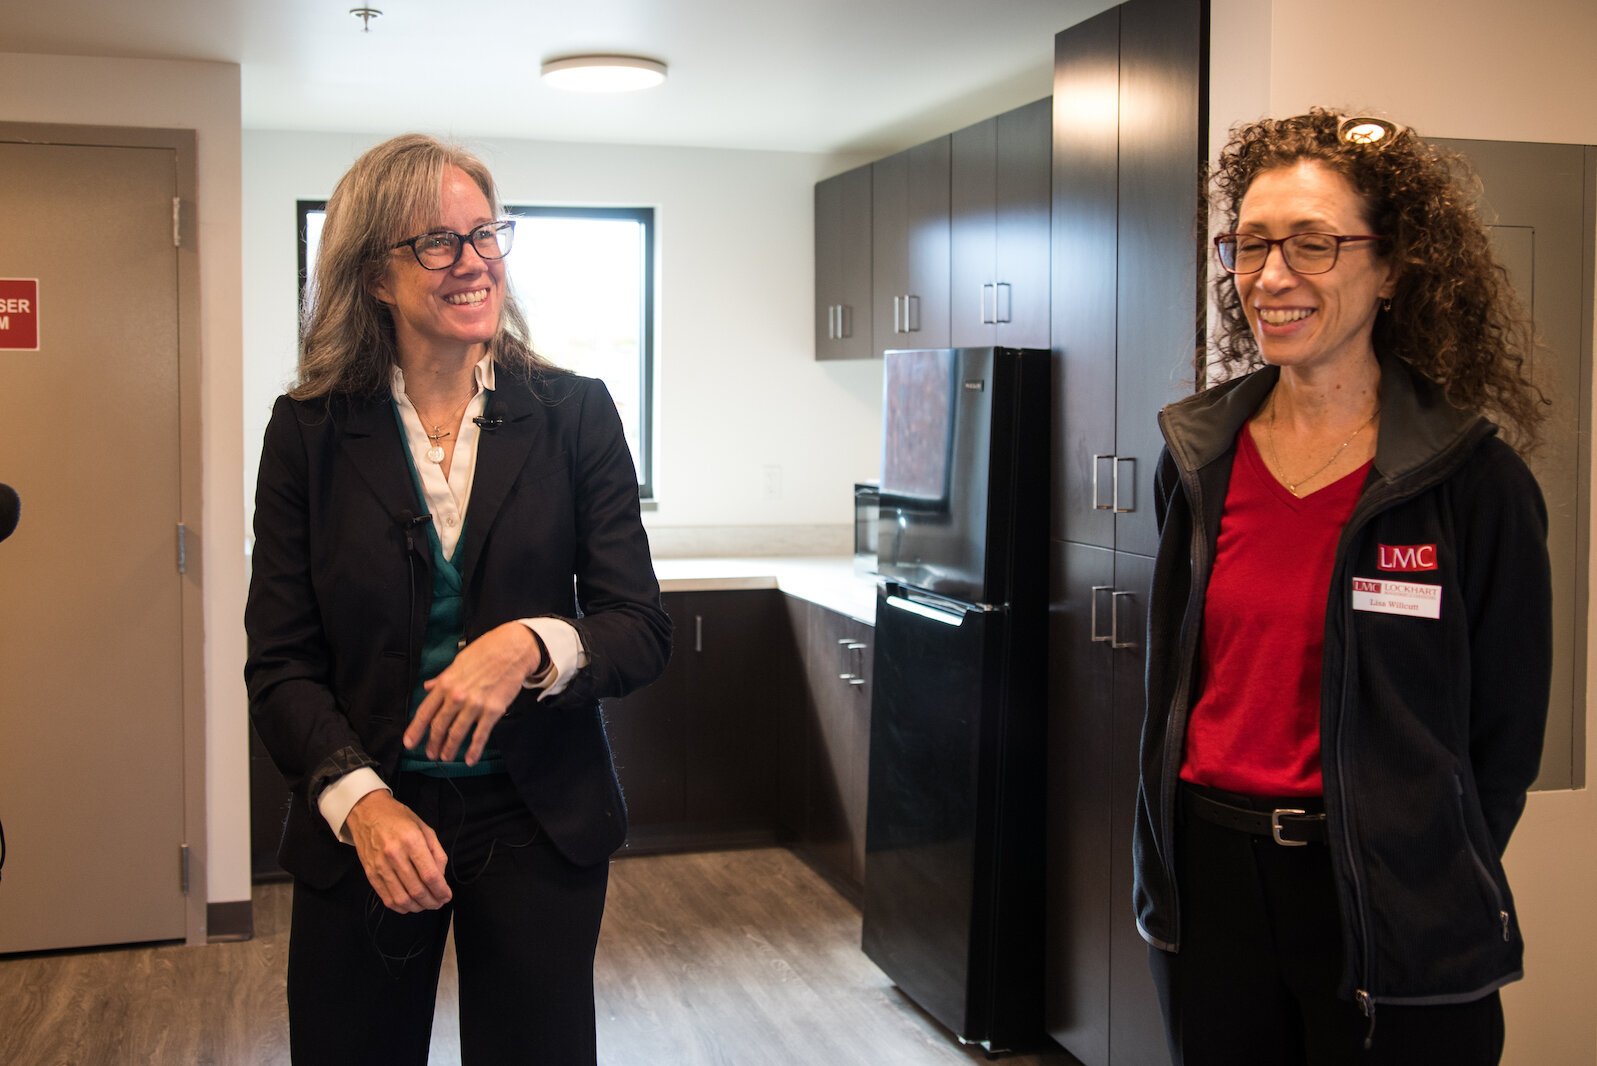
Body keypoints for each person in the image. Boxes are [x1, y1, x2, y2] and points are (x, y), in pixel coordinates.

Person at [1136, 109, 1552, 1065]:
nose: (1270, 276)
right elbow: (1176, 684)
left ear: (1394, 266)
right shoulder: (1197, 461)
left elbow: (1504, 738)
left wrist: (1420, 858)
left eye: (1313, 244)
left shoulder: (1468, 482)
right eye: (1249, 244)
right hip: (1209, 886)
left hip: (1392, 899)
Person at [245, 133, 670, 1065]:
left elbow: (638, 628)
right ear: (373, 277)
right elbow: (279, 662)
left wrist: (531, 641)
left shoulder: (576, 413)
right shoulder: (309, 434)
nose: (474, 262)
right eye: (437, 242)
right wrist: (360, 803)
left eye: (486, 234)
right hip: (370, 820)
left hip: (537, 817)